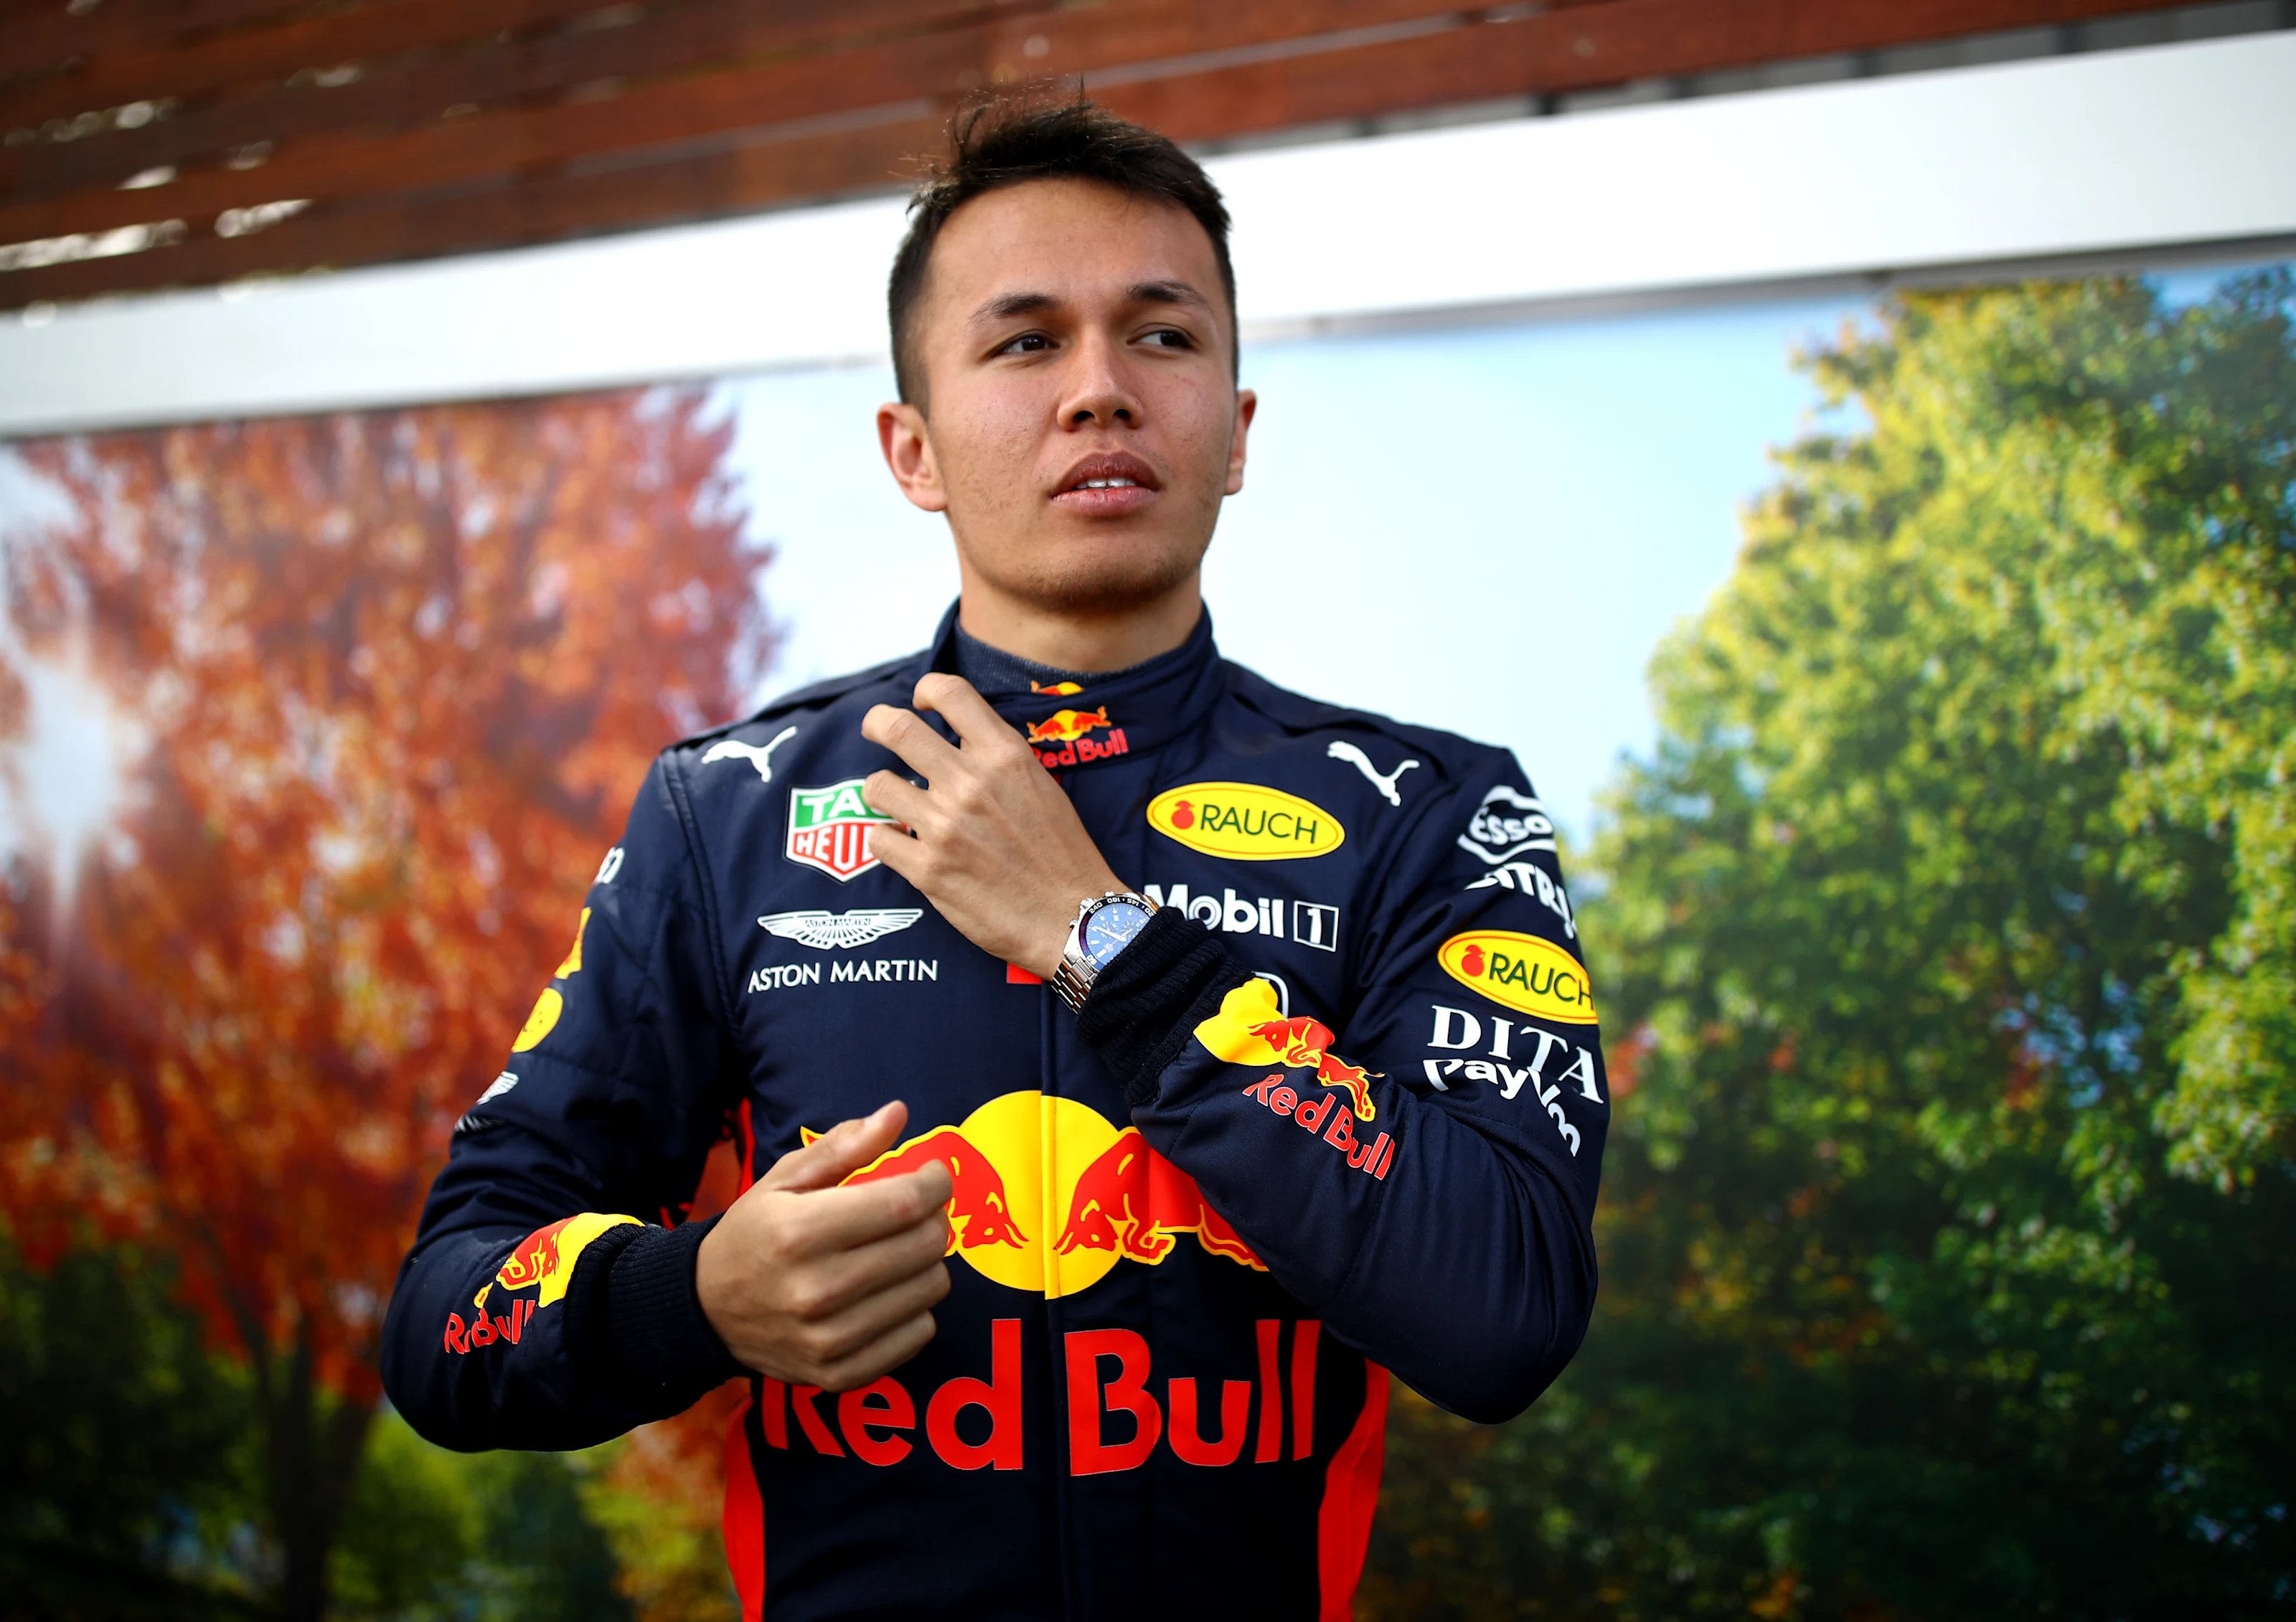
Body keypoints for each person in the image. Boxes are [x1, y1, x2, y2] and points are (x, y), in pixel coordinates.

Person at [384, 93, 1605, 1622]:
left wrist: (1104, 938)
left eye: (1159, 336)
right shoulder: (728, 811)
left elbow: (1504, 1310)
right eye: (1024, 341)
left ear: (1233, 432)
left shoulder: (1429, 813)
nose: (1098, 389)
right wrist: (690, 1295)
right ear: (913, 448)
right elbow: (441, 1321)